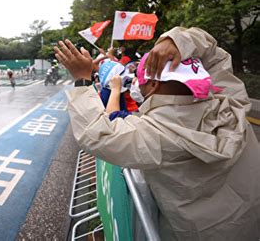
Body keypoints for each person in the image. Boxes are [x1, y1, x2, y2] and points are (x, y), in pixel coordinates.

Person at [54, 27, 260, 240]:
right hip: (251, 220)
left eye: (139, 81)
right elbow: (216, 56)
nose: (136, 84)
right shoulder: (233, 103)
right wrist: (178, 40)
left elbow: (95, 134)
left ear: (153, 84)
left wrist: (81, 78)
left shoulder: (154, 133)